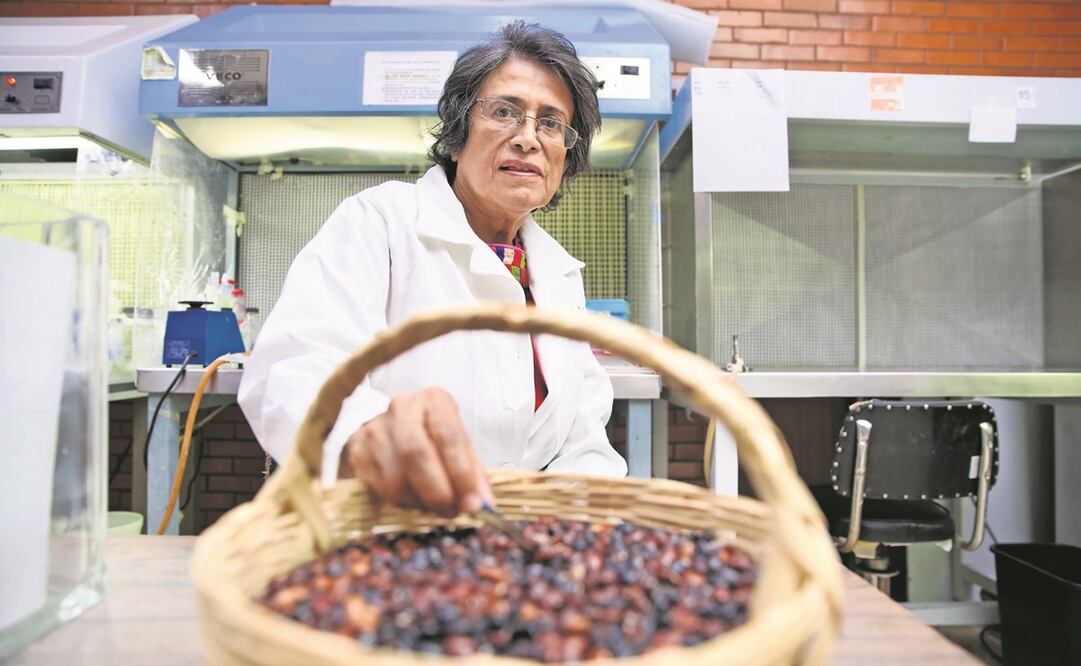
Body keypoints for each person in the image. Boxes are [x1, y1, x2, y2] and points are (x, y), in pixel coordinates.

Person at [237, 20, 627, 519]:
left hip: (515, 551)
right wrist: (362, 434)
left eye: (551, 123)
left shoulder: (558, 275)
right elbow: (292, 367)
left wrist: (592, 527)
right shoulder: (381, 222)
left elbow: (583, 439)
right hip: (385, 531)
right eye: (505, 112)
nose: (528, 138)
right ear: (460, 135)